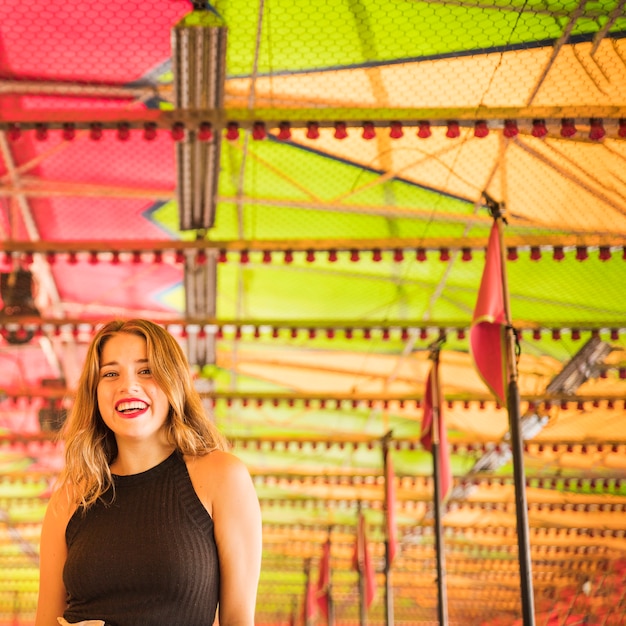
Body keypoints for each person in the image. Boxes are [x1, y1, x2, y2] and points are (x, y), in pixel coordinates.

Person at [35, 319, 262, 626]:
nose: (127, 385)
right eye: (110, 374)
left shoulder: (221, 477)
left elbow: (238, 620)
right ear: (95, 392)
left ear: (174, 382)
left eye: (146, 371)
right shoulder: (69, 500)